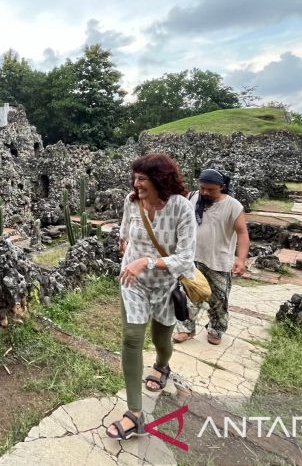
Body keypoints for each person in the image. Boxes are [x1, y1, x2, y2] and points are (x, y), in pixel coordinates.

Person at [106, 153, 197, 440]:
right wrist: (128, 251)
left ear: (160, 179)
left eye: (142, 179)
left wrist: (146, 261)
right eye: (135, 178)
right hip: (132, 281)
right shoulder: (132, 201)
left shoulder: (181, 207)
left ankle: (161, 366)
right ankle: (135, 413)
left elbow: (186, 258)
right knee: (132, 338)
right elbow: (125, 232)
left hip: (165, 284)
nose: (136, 184)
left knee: (161, 339)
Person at [173, 169, 249, 345]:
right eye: (202, 188)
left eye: (210, 190)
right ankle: (185, 329)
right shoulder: (192, 198)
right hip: (191, 258)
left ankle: (216, 329)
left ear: (222, 187)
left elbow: (242, 233)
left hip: (219, 261)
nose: (205, 192)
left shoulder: (233, 206)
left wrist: (241, 259)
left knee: (218, 300)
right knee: (189, 296)